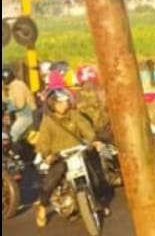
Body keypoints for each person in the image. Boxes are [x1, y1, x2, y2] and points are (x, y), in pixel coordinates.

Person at [34, 89, 108, 228]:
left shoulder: (74, 115)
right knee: (52, 180)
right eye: (59, 103)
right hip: (60, 156)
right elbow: (43, 143)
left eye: (65, 101)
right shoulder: (48, 121)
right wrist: (47, 155)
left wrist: (94, 140)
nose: (64, 105)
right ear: (52, 104)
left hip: (79, 152)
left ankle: (97, 203)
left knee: (95, 177)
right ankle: (43, 206)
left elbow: (87, 129)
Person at [2, 66, 36, 144]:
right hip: (22, 116)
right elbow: (7, 101)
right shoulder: (12, 87)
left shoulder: (17, 85)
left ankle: (14, 153)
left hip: (27, 116)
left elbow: (20, 104)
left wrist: (7, 109)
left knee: (12, 135)